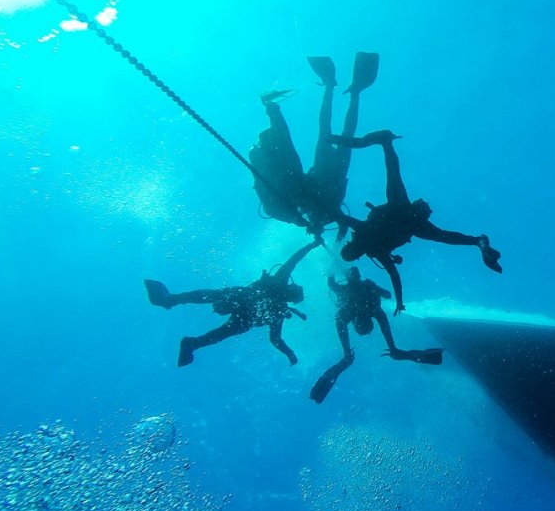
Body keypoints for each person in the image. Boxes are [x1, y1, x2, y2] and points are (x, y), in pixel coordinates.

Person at [331, 129, 502, 315]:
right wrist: (399, 300)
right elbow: (340, 216)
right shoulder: (367, 238)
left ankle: (477, 241)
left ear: (357, 254)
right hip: (404, 213)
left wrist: (400, 301)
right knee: (394, 176)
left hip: (408, 220)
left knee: (442, 235)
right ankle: (386, 143)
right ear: (351, 245)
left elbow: (394, 274)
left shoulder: (375, 249)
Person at [249, 51, 380, 236]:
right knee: (337, 130)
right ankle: (345, 91)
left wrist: (307, 222)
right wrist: (333, 228)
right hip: (333, 169)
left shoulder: (300, 210)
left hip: (326, 168)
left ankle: (336, 88)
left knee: (332, 129)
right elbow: (342, 220)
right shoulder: (325, 213)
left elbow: (340, 219)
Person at [143, 239, 321, 367]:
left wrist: (290, 354)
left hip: (244, 306)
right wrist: (290, 354)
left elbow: (275, 339)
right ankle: (186, 329)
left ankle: (185, 326)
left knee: (213, 300)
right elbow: (294, 260)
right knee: (219, 316)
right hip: (245, 309)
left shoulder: (279, 306)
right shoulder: (279, 294)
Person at [309, 266, 443, 404]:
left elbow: (384, 314)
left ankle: (335, 264)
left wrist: (347, 354)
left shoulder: (357, 312)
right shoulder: (372, 310)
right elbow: (386, 306)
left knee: (338, 279)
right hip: (361, 288)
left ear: (355, 322)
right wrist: (393, 349)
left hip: (358, 288)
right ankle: (335, 264)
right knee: (339, 278)